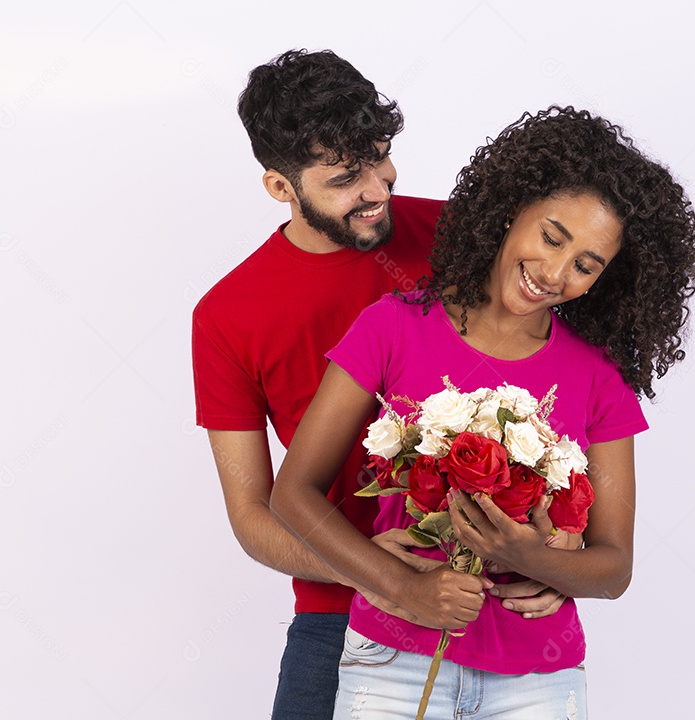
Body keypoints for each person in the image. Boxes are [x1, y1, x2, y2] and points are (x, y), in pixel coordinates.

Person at [270, 106, 695, 717]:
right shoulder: (394, 325)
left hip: (538, 680)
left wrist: (532, 557)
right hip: (392, 662)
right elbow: (294, 494)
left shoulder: (598, 377)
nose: (554, 273)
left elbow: (613, 567)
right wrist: (402, 587)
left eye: (585, 265)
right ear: (511, 208)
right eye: (551, 237)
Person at [191, 50, 567, 720]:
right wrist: (377, 572)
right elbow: (252, 515)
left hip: (494, 601)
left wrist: (559, 546)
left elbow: (563, 394)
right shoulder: (226, 315)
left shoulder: (465, 237)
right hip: (338, 623)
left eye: (380, 156)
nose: (377, 186)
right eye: (344, 178)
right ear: (281, 187)